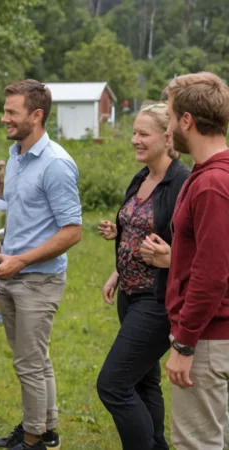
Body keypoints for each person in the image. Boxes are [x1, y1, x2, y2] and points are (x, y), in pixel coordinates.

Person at [0, 80, 82, 450]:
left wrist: (20, 260)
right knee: (36, 360)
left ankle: (33, 439)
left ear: (36, 116)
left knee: (29, 364)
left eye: (12, 112)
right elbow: (29, 220)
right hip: (14, 271)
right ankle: (45, 428)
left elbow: (72, 231)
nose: (4, 118)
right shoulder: (16, 156)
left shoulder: (55, 164)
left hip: (37, 280)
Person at [95, 103, 189, 450]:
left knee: (113, 384)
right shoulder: (142, 177)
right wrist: (116, 271)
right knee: (142, 382)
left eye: (142, 134)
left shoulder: (183, 182)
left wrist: (170, 257)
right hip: (130, 295)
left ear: (167, 138)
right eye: (134, 132)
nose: (134, 139)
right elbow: (136, 229)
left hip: (157, 298)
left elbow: (195, 249)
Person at [144, 72, 229, 450]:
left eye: (171, 114)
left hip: (208, 338)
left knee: (198, 443)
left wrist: (185, 345)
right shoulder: (212, 175)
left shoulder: (212, 184)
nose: (167, 127)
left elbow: (211, 276)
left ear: (187, 121)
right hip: (212, 335)